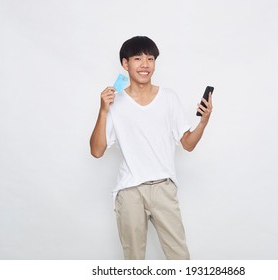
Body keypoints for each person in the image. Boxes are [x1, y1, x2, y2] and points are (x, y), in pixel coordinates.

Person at [89, 36, 213, 260]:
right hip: (129, 191)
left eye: (150, 58)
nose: (145, 64)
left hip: (163, 188)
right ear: (125, 64)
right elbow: (97, 151)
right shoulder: (114, 103)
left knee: (180, 257)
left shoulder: (169, 97)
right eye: (138, 58)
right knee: (134, 261)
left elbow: (187, 144)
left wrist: (203, 121)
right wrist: (103, 111)